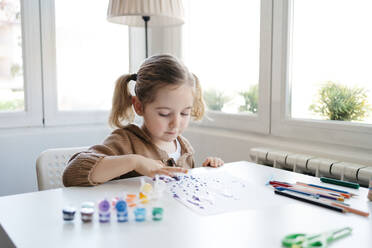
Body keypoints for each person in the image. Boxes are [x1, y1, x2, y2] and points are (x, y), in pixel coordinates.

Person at [63, 54, 224, 187]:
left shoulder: (184, 147)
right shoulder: (124, 141)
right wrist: (135, 162)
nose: (175, 124)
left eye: (184, 113)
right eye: (164, 114)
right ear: (139, 107)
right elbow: (72, 173)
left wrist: (206, 171)